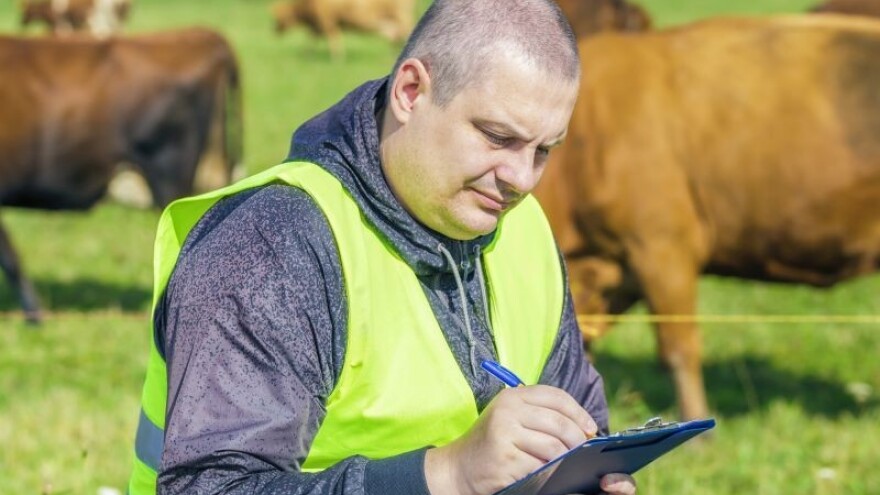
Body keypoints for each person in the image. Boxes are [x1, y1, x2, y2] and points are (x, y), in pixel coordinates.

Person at [128, 0, 637, 494]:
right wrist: (448, 475)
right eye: (497, 137)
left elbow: (578, 415)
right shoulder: (272, 246)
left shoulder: (524, 228)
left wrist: (583, 475)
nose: (522, 179)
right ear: (411, 92)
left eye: (543, 150)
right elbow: (213, 486)